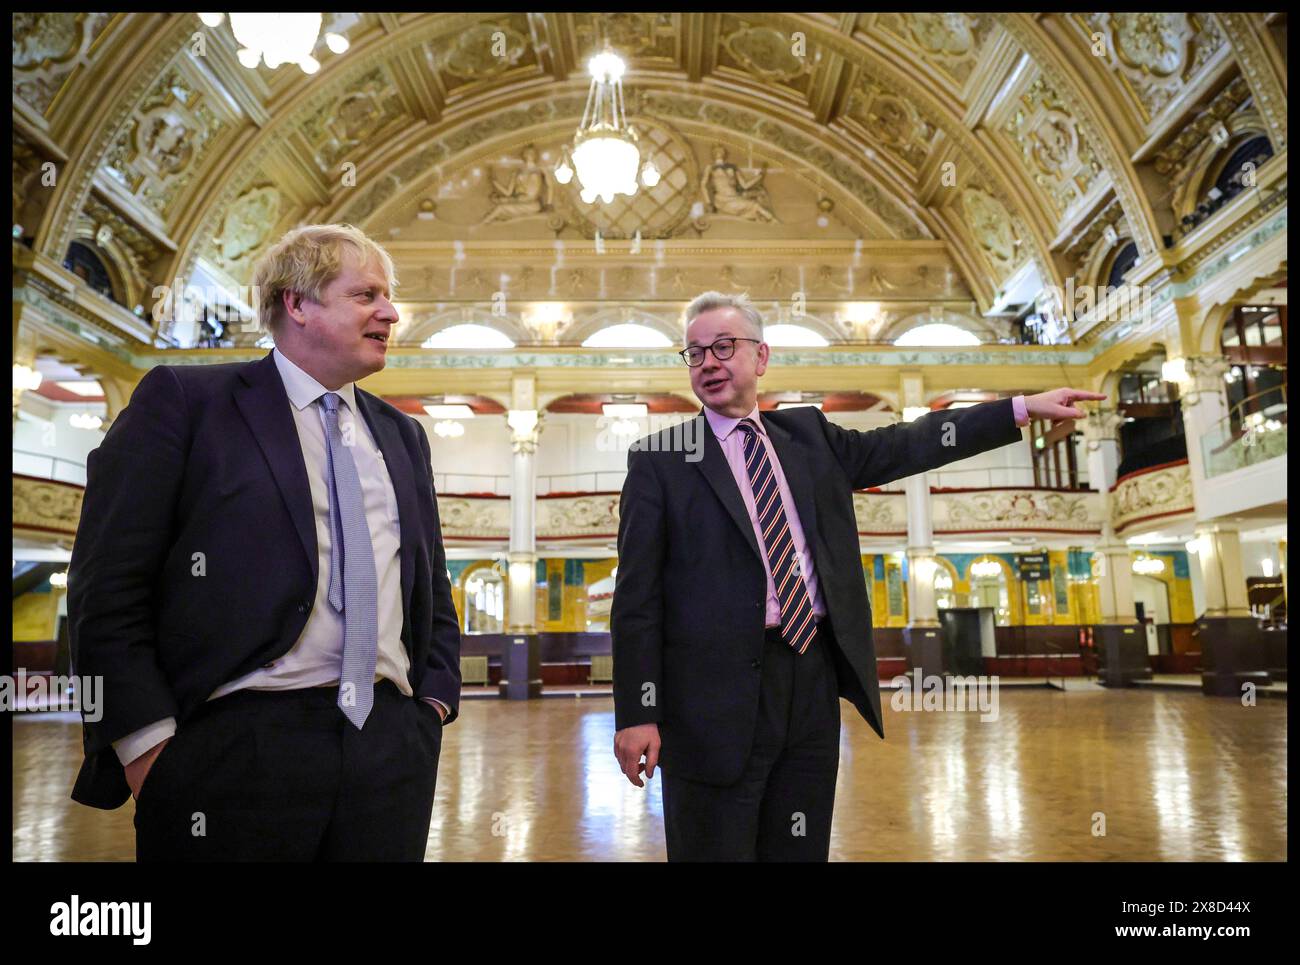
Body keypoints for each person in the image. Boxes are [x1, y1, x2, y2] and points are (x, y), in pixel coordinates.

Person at [611, 291, 1103, 861]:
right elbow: (636, 601)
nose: (709, 363)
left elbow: (907, 442)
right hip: (710, 701)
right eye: (694, 354)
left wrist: (1018, 408)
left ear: (761, 357)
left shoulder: (809, 438)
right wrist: (638, 712)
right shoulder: (661, 459)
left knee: (800, 846)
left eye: (723, 346)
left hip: (812, 677)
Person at [67, 223, 462, 860]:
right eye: (366, 295)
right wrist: (149, 752)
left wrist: (432, 705)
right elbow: (107, 586)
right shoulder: (188, 402)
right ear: (297, 304)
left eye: (388, 297)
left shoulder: (402, 435)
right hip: (232, 751)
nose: (390, 312)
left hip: (389, 754)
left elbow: (429, 587)